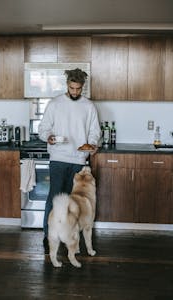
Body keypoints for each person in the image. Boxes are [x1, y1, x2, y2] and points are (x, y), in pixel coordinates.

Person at [38, 68, 101, 253]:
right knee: (55, 198)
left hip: (79, 160)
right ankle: (48, 235)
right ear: (67, 85)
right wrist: (48, 137)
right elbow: (43, 129)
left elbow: (94, 131)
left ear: (83, 87)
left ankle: (68, 234)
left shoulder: (89, 106)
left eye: (78, 89)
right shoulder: (55, 103)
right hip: (58, 157)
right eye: (72, 88)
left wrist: (93, 144)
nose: (75, 92)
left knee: (74, 202)